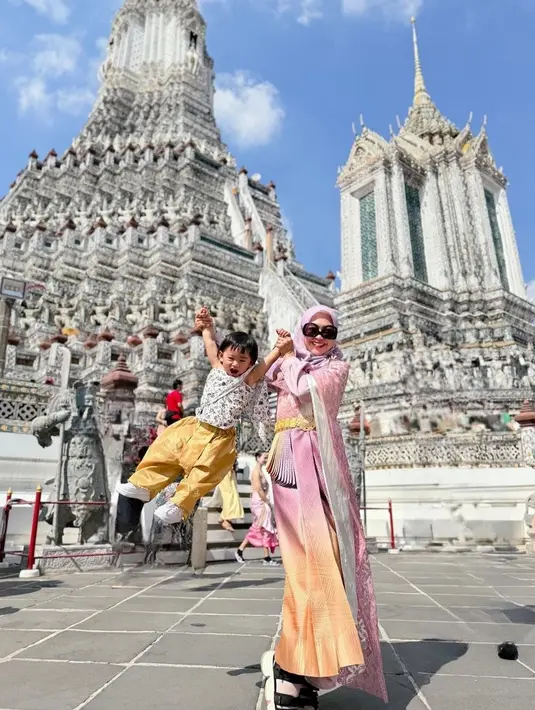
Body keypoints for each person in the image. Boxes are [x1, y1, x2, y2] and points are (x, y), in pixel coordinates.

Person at [260, 306, 387, 709]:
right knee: (305, 566)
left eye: (327, 331)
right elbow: (259, 385)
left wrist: (287, 356)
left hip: (321, 472)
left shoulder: (336, 369)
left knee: (326, 561)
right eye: (311, 329)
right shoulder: (289, 361)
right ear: (301, 330)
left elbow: (303, 392)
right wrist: (278, 354)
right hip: (288, 472)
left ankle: (302, 666)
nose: (318, 336)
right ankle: (293, 668)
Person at [118, 307, 288, 526]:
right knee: (164, 452)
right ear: (221, 356)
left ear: (250, 364)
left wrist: (277, 348)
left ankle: (178, 506)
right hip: (195, 426)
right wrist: (207, 326)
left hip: (220, 438)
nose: (235, 364)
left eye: (242, 360)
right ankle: (143, 486)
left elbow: (264, 365)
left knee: (202, 474)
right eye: (231, 358)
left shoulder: (248, 380)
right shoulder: (216, 367)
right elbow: (209, 342)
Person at [235, 451, 279, 566]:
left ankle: (263, 556)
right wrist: (266, 501)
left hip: (261, 500)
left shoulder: (260, 470)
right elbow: (259, 489)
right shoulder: (255, 472)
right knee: (261, 526)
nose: (266, 459)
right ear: (258, 458)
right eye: (265, 457)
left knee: (262, 528)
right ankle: (264, 557)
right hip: (259, 501)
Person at [210, 462, 244, 531]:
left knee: (232, 495)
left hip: (229, 470)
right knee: (230, 495)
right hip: (224, 470)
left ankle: (223, 517)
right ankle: (226, 520)